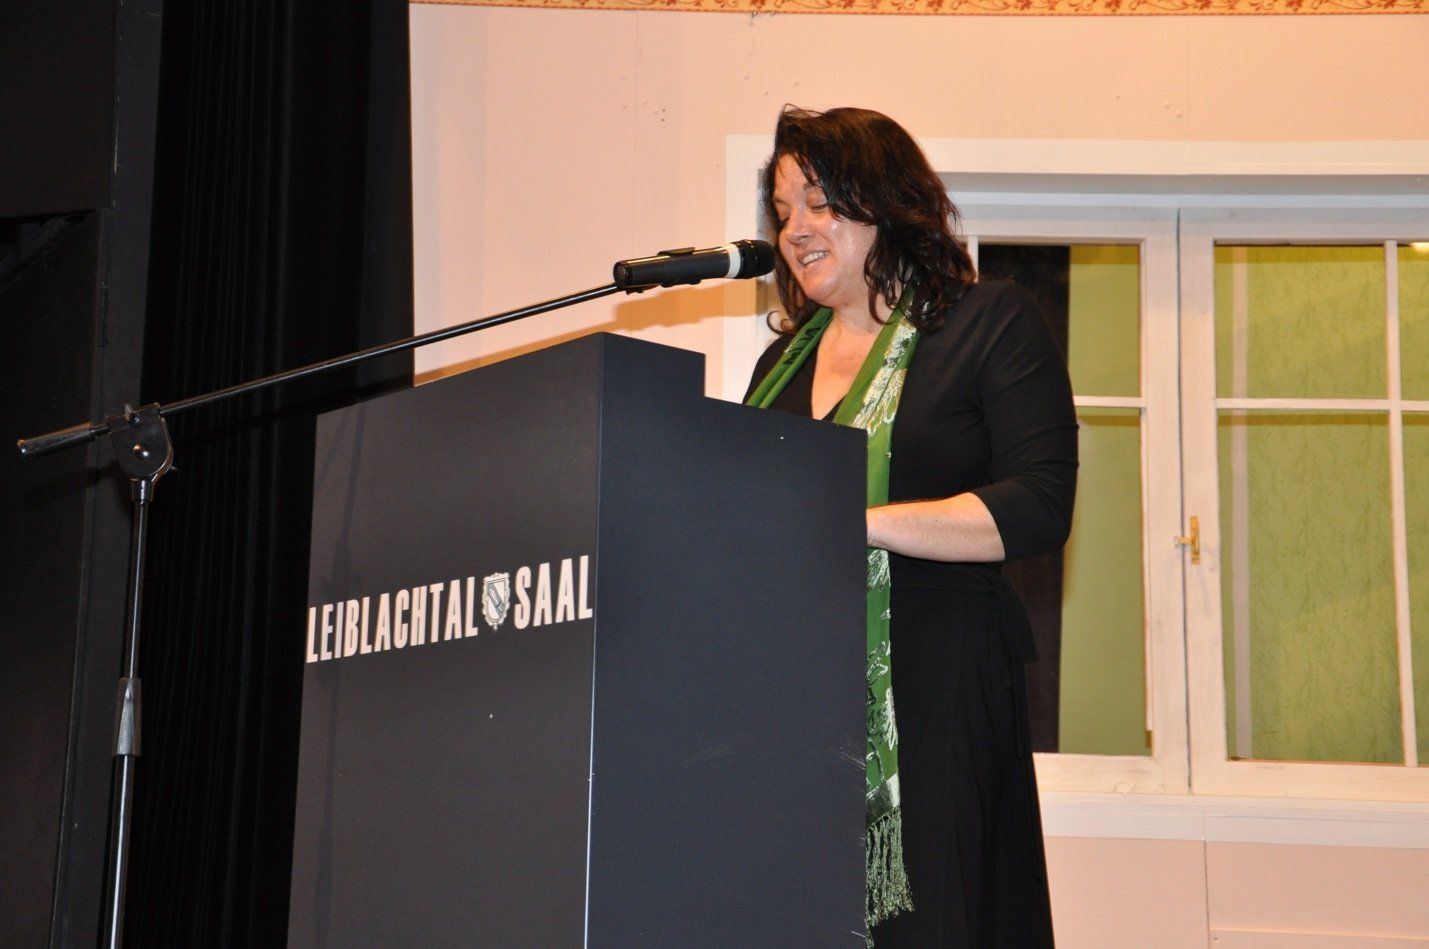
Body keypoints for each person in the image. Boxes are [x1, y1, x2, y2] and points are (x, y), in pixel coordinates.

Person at [744, 106, 1077, 947]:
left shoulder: (984, 323)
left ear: (886, 202)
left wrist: (856, 523)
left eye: (818, 202)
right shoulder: (777, 365)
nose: (794, 230)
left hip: (935, 687)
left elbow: (1038, 503)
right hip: (793, 699)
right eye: (781, 212)